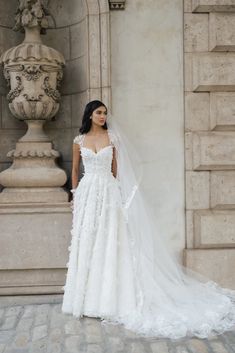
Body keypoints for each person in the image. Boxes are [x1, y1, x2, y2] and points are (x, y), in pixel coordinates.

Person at [61, 100, 235, 339]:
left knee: (110, 240)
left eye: (105, 113)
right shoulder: (78, 141)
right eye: (98, 113)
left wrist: (117, 196)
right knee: (89, 241)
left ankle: (109, 300)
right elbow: (74, 170)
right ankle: (87, 299)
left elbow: (116, 170)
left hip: (109, 193)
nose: (102, 116)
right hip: (88, 193)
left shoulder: (113, 138)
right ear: (89, 115)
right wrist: (76, 194)